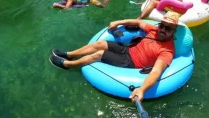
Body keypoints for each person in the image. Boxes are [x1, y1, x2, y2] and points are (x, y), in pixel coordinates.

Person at [49, 11, 180, 101]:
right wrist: (119, 22)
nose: (162, 30)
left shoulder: (167, 51)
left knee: (100, 54)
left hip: (131, 62)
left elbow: (156, 71)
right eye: (162, 25)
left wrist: (142, 90)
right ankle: (69, 54)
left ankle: (68, 64)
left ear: (174, 31)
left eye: (168, 29)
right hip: (128, 49)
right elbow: (139, 22)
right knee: (100, 43)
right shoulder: (155, 29)